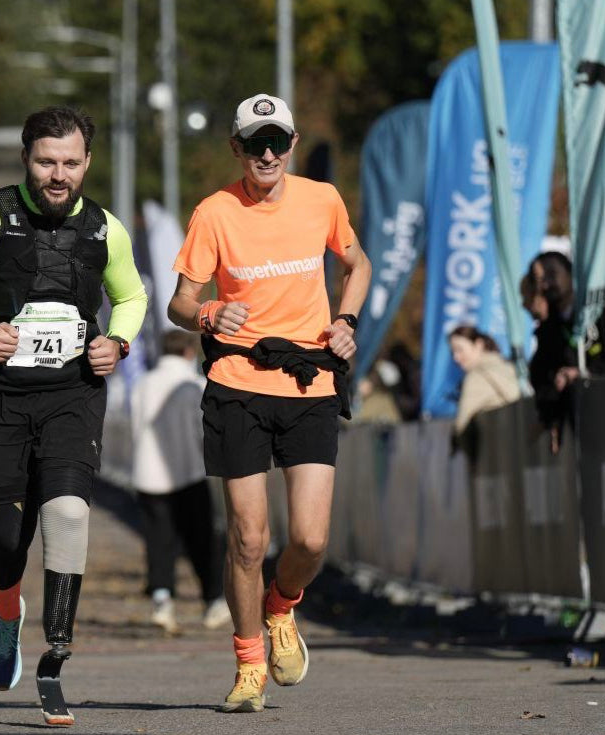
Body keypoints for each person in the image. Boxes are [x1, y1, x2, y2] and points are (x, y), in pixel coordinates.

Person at [0, 106, 147, 726]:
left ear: (86, 164)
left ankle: (55, 654)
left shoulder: (106, 230)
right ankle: (5, 612)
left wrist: (118, 344)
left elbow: (131, 297)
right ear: (27, 159)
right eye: (47, 161)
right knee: (6, 538)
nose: (58, 175)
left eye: (70, 163)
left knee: (71, 510)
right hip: (1, 398)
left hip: (72, 395)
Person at [167, 93, 371, 713]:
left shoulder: (322, 200)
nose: (267, 153)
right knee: (248, 541)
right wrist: (208, 312)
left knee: (308, 542)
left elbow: (356, 265)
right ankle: (249, 662)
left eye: (276, 141)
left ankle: (281, 606)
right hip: (237, 385)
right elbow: (178, 301)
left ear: (291, 143)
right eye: (254, 142)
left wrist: (347, 320)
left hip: (309, 383)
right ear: (236, 148)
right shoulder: (215, 212)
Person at [129, 329, 229, 633]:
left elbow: (134, 425)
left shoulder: (144, 384)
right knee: (202, 541)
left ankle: (162, 598)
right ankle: (212, 600)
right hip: (188, 472)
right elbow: (204, 431)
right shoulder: (193, 385)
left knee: (158, 541)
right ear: (189, 352)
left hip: (149, 475)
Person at [527, 251, 605, 450]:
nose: (546, 284)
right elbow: (542, 379)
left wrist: (586, 373)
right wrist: (551, 415)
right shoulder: (548, 330)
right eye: (539, 280)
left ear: (570, 272)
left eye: (551, 274)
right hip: (586, 440)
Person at [448, 326, 521, 436]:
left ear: (478, 344)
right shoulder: (509, 367)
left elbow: (461, 426)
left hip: (496, 446)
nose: (455, 357)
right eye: (453, 352)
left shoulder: (476, 378)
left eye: (459, 349)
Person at [353, 360, 401, 425]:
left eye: (378, 377)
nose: (374, 377)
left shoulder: (383, 399)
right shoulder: (360, 380)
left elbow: (395, 421)